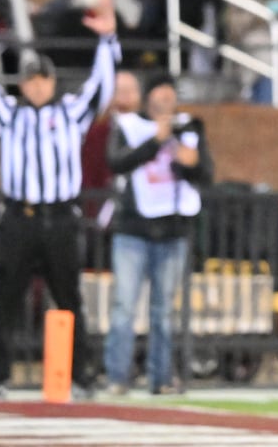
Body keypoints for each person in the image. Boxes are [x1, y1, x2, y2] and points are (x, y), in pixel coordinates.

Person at [0, 0, 119, 399]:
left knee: (69, 296)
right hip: (19, 215)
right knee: (8, 298)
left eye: (42, 79)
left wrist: (108, 40)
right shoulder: (9, 115)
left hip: (60, 217)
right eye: (30, 80)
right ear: (24, 84)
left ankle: (82, 377)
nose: (36, 87)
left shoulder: (70, 113)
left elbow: (101, 90)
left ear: (51, 82)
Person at [103, 73, 212, 395]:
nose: (164, 104)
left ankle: (160, 378)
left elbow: (205, 174)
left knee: (163, 312)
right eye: (158, 98)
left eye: (169, 98)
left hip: (173, 231)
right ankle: (117, 378)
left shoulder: (189, 129)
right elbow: (116, 162)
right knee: (124, 307)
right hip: (133, 229)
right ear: (147, 101)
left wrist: (190, 162)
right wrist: (155, 142)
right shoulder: (129, 126)